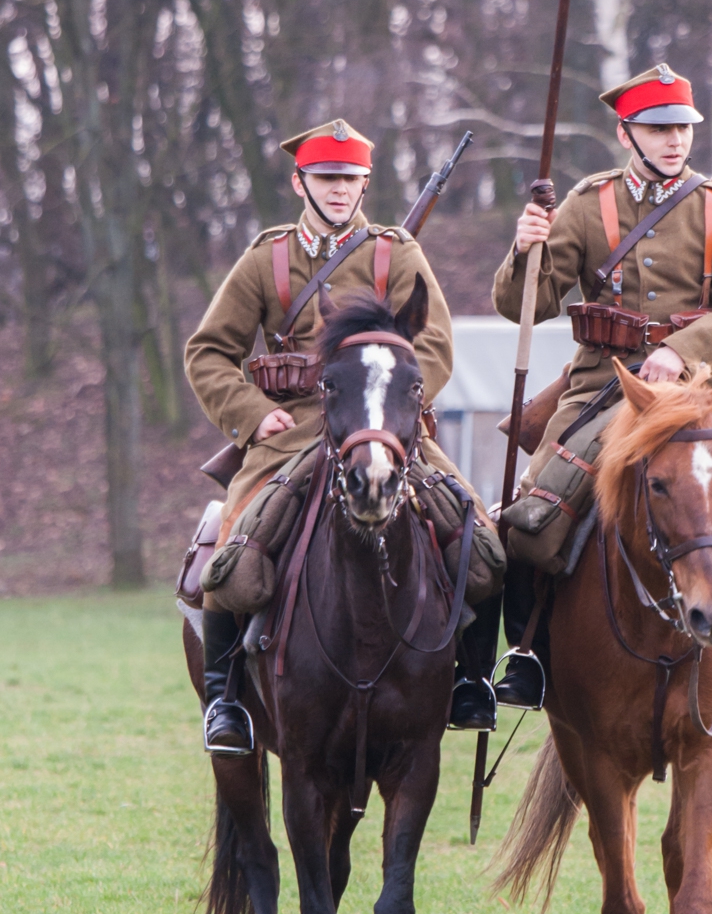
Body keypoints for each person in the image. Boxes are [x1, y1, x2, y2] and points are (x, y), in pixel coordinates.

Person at [491, 64, 712, 707]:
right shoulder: (588, 206)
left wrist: (679, 350)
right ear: (627, 134)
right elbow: (522, 305)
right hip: (604, 386)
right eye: (658, 128)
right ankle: (526, 655)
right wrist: (524, 247)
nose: (674, 140)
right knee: (533, 514)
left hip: (704, 390)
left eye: (681, 128)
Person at [185, 118, 497, 752]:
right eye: (326, 178)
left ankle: (472, 680)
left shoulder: (397, 251)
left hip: (382, 429)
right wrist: (249, 412)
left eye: (350, 179)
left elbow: (433, 344)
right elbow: (208, 352)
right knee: (232, 550)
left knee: (478, 536)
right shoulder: (266, 258)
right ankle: (225, 701)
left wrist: (394, 410)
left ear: (365, 182)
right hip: (287, 431)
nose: (338, 189)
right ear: (300, 181)